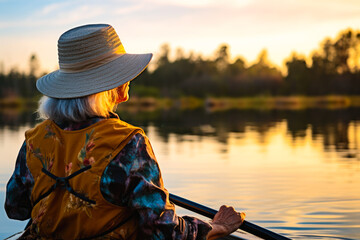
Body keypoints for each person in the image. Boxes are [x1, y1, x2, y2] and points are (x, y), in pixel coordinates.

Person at [5, 24, 245, 240]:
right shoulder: (129, 143)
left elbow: (16, 208)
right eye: (121, 73)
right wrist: (216, 227)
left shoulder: (34, 140)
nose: (128, 79)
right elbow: (164, 232)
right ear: (109, 86)